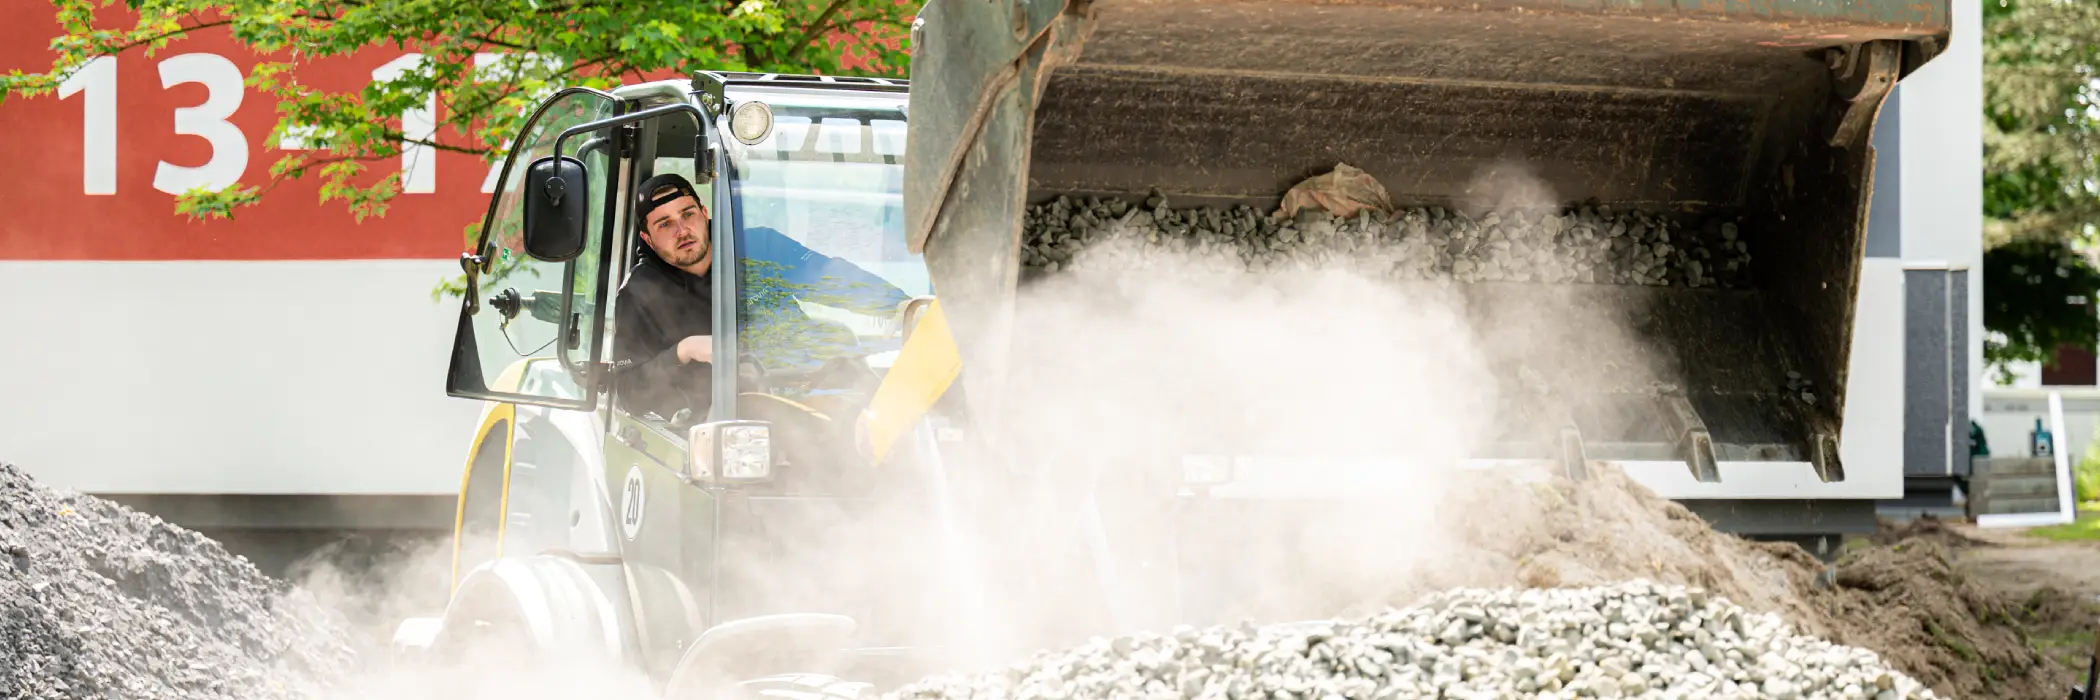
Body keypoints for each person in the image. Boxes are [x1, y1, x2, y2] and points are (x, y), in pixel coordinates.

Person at [611, 172, 911, 421]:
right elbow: (627, 392)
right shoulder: (639, 293)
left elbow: (831, 277)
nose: (682, 230)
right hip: (728, 430)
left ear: (704, 214)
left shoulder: (757, 246)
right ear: (648, 239)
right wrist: (683, 351)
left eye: (687, 214)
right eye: (664, 224)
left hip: (816, 395)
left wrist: (903, 307)